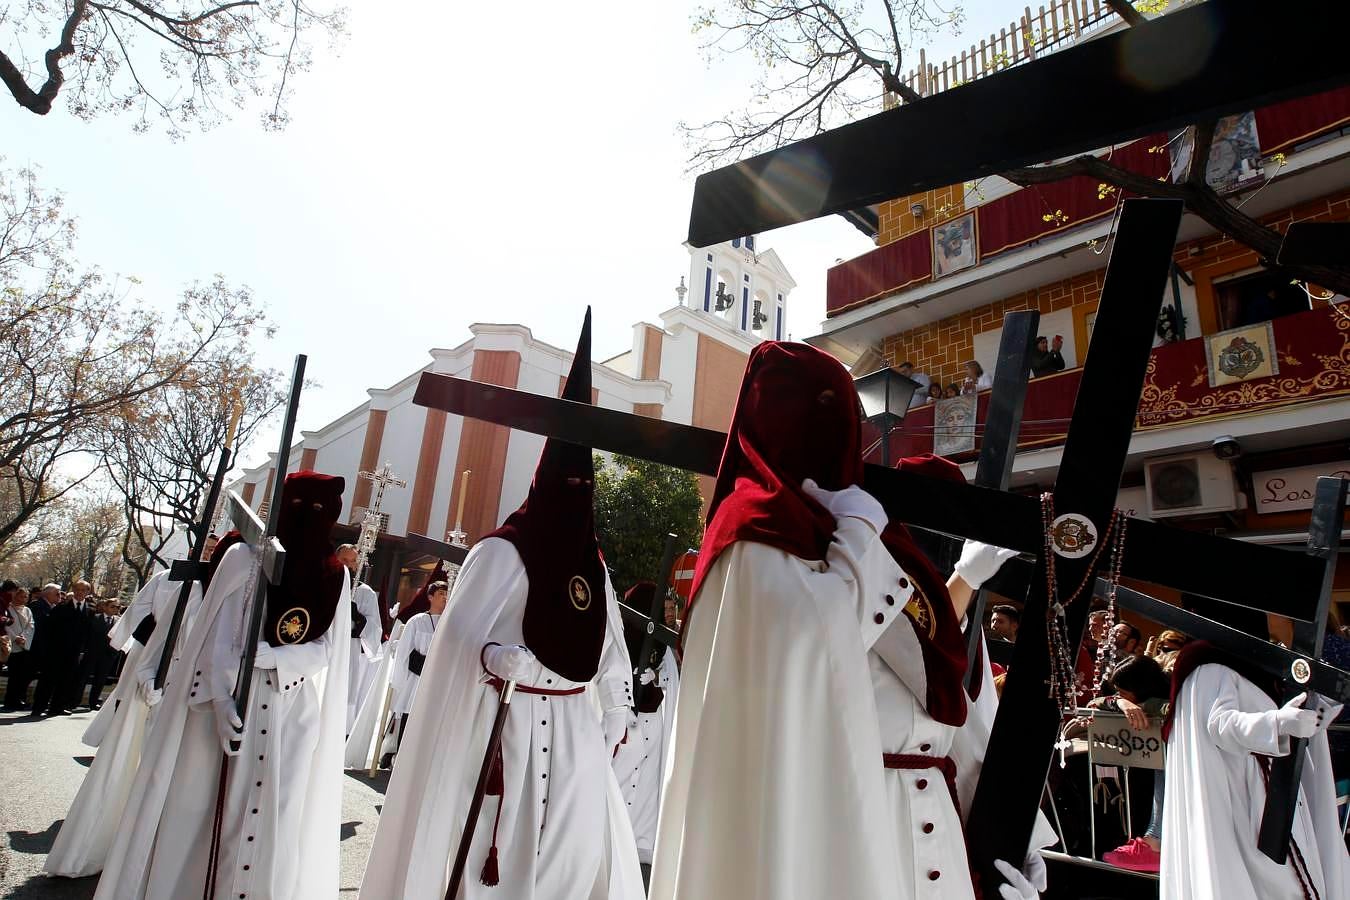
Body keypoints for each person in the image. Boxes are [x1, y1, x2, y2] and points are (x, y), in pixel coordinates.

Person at [649, 343, 1040, 900]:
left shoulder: (871, 542)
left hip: (935, 830)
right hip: (838, 823)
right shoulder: (757, 535)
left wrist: (1008, 836)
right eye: (818, 409)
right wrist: (858, 539)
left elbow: (946, 707)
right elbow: (815, 648)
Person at [359, 310, 642, 899]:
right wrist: (490, 653)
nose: (577, 496)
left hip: (576, 745)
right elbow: (454, 641)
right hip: (505, 734)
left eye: (584, 489)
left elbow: (611, 648)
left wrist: (614, 716)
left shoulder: (596, 567)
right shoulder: (500, 553)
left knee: (568, 868)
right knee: (493, 870)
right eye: (569, 485)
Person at [95, 472, 351, 900]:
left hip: (289, 710)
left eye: (321, 511)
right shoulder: (244, 555)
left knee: (276, 815)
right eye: (300, 507)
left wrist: (279, 657)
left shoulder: (333, 577)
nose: (309, 519)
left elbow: (327, 649)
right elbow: (215, 636)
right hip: (225, 705)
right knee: (201, 814)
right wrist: (220, 696)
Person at [45, 544, 219, 879]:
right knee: (139, 747)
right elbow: (140, 626)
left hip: (190, 683)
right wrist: (146, 668)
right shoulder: (170, 580)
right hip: (156, 673)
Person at [1159, 641, 1348, 900]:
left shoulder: (1263, 655)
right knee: (1278, 883)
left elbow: (1299, 714)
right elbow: (1220, 724)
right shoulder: (1209, 661)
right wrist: (1276, 723)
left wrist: (1320, 705)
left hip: (1281, 784)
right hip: (1246, 792)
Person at [612, 582, 680, 876]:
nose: (667, 617)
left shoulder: (664, 654)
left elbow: (672, 691)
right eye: (662, 609)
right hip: (623, 750)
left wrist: (657, 682)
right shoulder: (617, 649)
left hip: (650, 774)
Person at [1088, 655, 1174, 874]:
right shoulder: (1129, 700)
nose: (1119, 695)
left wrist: (1147, 706)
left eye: (1124, 692)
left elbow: (1170, 709)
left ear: (1142, 687)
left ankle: (1155, 841)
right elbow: (1095, 703)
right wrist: (1121, 702)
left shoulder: (1169, 696)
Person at [383, 579, 448, 767]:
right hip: (416, 679)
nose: (444, 597)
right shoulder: (418, 621)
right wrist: (403, 680)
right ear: (430, 597)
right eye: (440, 594)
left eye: (446, 594)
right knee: (409, 716)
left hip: (437, 682)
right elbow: (405, 651)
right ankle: (400, 757)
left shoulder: (450, 623)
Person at [337, 542, 384, 733]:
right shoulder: (322, 583)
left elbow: (375, 630)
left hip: (349, 651)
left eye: (352, 562)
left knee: (342, 694)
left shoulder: (365, 593)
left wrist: (359, 619)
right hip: (322, 646)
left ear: (358, 565)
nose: (348, 565)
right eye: (344, 560)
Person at [31, 584, 90, 717]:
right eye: (77, 590)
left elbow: (88, 633)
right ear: (73, 591)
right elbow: (49, 629)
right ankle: (39, 707)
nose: (80, 593)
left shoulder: (90, 611)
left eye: (83, 590)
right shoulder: (61, 608)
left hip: (74, 654)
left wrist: (83, 650)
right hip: (56, 652)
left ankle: (57, 707)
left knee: (66, 681)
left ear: (87, 592)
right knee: (48, 680)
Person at [3, 582, 36, 710]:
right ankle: (9, 700)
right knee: (13, 675)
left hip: (24, 646)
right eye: (21, 596)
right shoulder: (7, 608)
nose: (24, 599)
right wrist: (14, 637)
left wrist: (24, 638)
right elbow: (5, 626)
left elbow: (31, 625)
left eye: (26, 597)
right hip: (11, 646)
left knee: (23, 675)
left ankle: (19, 698)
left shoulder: (27, 610)